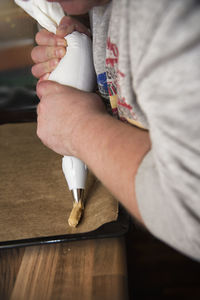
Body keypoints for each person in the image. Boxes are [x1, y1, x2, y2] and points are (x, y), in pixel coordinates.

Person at [31, 0, 200, 260]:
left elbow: (191, 211)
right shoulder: (104, 7)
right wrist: (85, 49)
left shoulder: (166, 12)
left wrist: (78, 128)